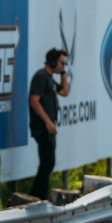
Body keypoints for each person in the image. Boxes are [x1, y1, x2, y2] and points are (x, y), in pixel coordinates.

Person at [28, 48, 69, 201]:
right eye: (61, 63)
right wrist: (47, 121)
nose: (63, 66)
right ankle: (35, 196)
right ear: (53, 61)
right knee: (47, 162)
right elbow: (33, 100)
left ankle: (39, 196)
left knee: (48, 163)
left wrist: (63, 72)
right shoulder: (41, 77)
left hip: (49, 128)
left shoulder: (50, 79)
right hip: (43, 127)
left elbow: (65, 91)